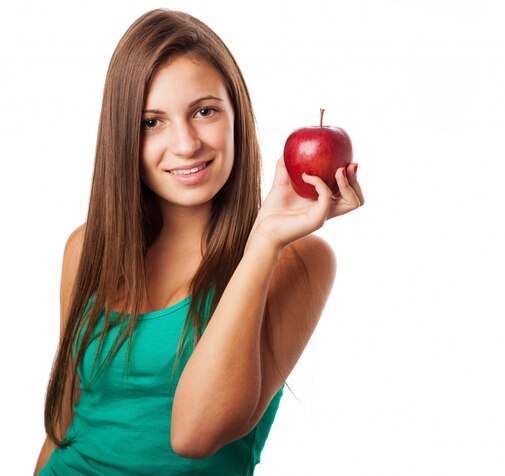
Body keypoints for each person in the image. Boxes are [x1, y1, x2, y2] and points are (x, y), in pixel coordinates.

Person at [33, 8, 363, 476]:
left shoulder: (296, 260)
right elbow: (62, 428)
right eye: (152, 122)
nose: (186, 144)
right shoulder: (87, 248)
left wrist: (264, 241)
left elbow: (194, 435)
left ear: (237, 116)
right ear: (122, 135)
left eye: (204, 111)